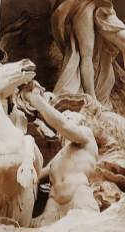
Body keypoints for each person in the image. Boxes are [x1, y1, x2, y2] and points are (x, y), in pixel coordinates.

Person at [20, 83, 100, 224]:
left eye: (70, 117)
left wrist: (36, 100)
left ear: (81, 123)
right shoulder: (58, 157)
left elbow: (63, 126)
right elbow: (35, 176)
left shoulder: (86, 136)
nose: (65, 118)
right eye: (65, 116)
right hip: (54, 203)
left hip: (77, 195)